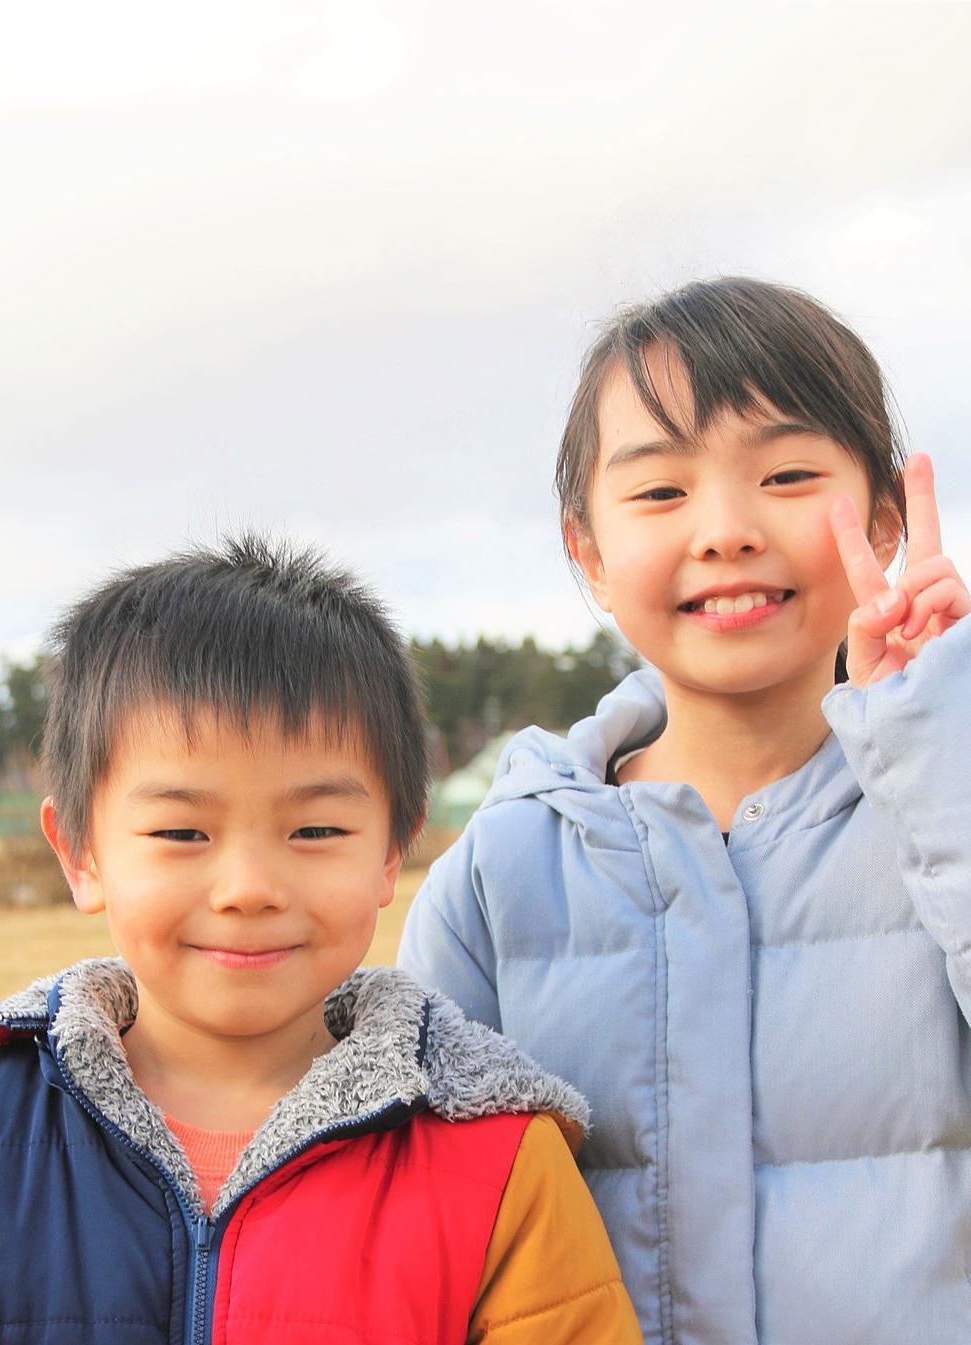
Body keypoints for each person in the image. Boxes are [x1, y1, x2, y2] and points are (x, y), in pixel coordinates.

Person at [399, 277, 971, 1345]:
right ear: (589, 554)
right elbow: (415, 1219)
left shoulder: (942, 806)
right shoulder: (503, 869)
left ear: (884, 519)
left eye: (787, 475)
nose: (726, 530)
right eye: (661, 491)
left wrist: (942, 744)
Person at [0, 536, 641, 1345]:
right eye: (181, 831)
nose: (249, 887)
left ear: (391, 851)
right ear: (79, 852)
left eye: (315, 829)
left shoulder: (500, 1163)